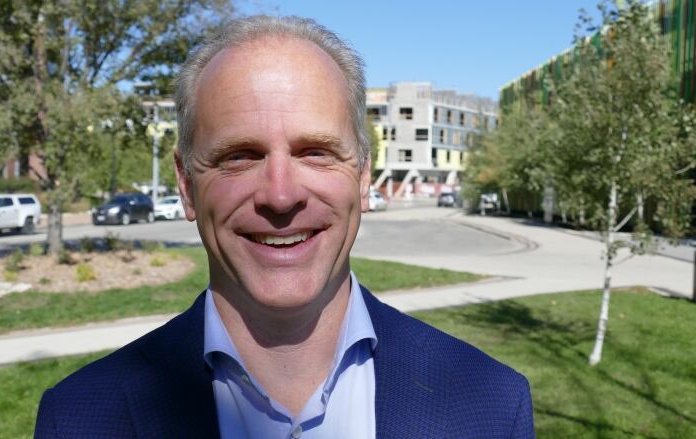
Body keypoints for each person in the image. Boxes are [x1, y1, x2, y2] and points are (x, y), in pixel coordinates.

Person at [34, 15, 534, 438]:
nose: (280, 194)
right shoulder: (78, 418)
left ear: (362, 177)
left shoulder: (492, 406)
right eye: (239, 156)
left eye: (315, 152)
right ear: (186, 186)